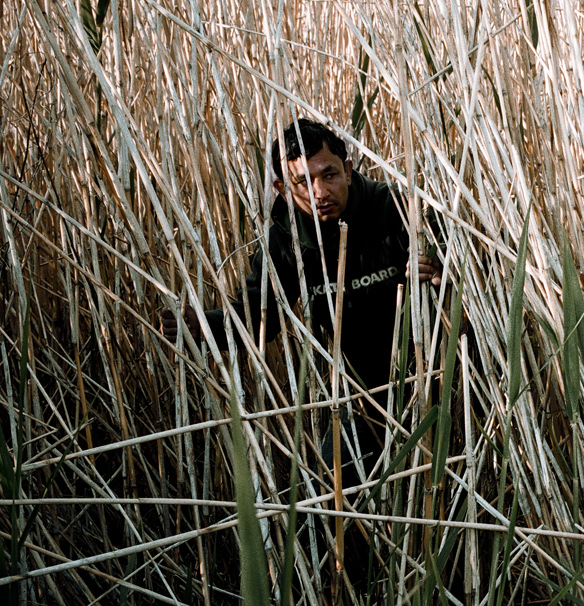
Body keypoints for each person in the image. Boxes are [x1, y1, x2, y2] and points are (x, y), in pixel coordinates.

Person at [166, 119, 440, 437]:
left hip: (429, 381)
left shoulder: (398, 209)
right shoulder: (285, 242)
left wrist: (439, 272)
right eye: (304, 182)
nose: (321, 192)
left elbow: (465, 273)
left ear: (348, 171)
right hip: (360, 397)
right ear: (283, 189)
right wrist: (200, 325)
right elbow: (260, 316)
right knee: (339, 481)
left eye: (330, 175)